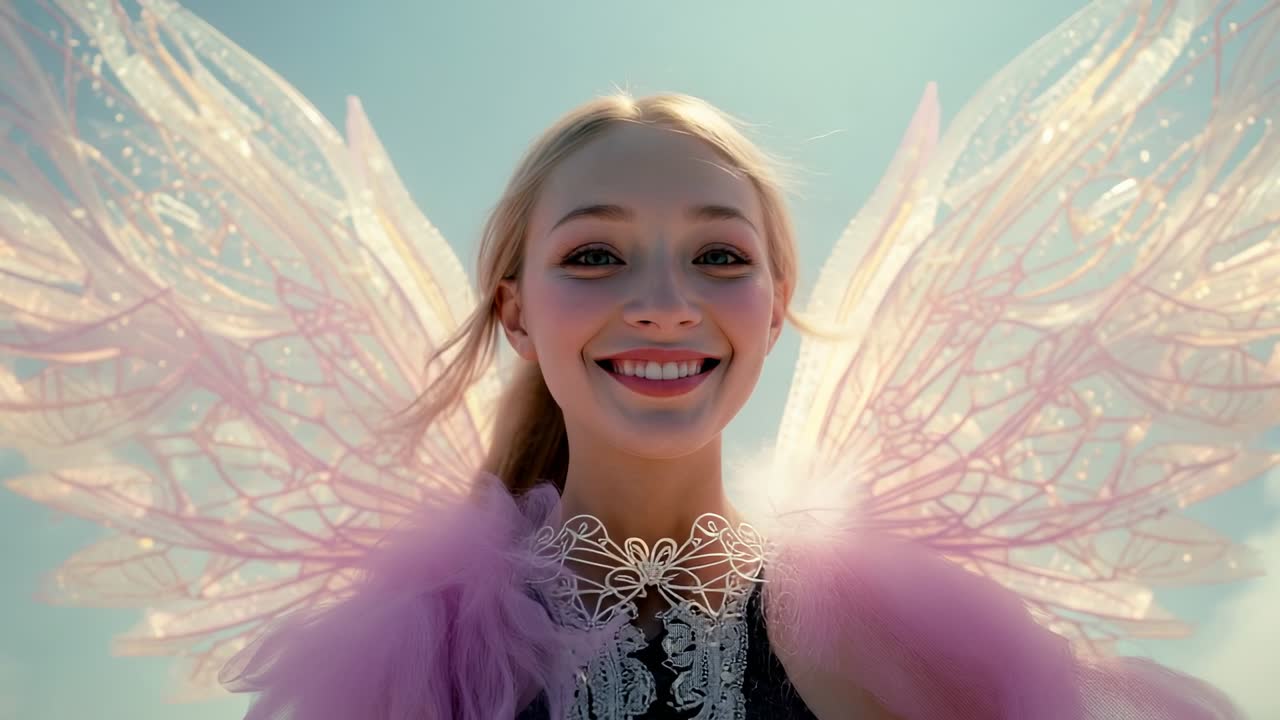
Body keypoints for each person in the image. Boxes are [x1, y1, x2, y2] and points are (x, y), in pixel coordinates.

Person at [1, 1, 1276, 718]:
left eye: (720, 258)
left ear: (777, 310)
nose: (665, 304)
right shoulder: (415, 663)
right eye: (596, 257)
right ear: (513, 311)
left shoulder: (908, 645)